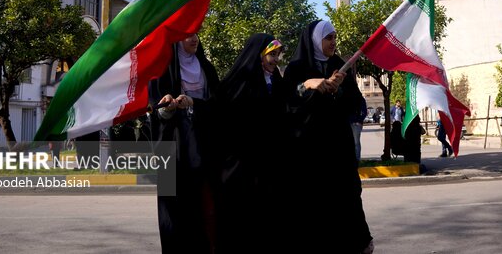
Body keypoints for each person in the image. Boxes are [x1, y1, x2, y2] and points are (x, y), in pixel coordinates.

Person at [284, 20, 374, 254]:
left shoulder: (340, 66)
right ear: (315, 40)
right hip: (309, 146)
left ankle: (357, 241)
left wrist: (339, 89)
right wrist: (310, 86)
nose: (334, 42)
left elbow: (355, 103)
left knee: (347, 192)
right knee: (314, 198)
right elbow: (287, 103)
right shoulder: (297, 68)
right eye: (329, 38)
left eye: (335, 37)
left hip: (338, 144)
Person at [214, 33, 287, 254]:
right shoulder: (239, 81)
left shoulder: (276, 81)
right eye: (271, 55)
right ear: (258, 56)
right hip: (241, 166)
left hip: (268, 164)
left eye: (277, 55)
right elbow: (221, 116)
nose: (275, 60)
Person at [148, 34, 220, 254]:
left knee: (203, 211)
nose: (194, 38)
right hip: (174, 151)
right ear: (177, 39)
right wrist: (166, 108)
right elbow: (155, 107)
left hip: (201, 150)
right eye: (187, 35)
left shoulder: (206, 68)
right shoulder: (164, 69)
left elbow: (217, 105)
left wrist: (193, 103)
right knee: (175, 214)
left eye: (197, 33)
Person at [349, 96, 368, 161]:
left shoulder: (360, 98)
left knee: (356, 142)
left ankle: (357, 159)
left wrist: (359, 120)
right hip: (348, 123)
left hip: (356, 124)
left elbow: (364, 111)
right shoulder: (346, 97)